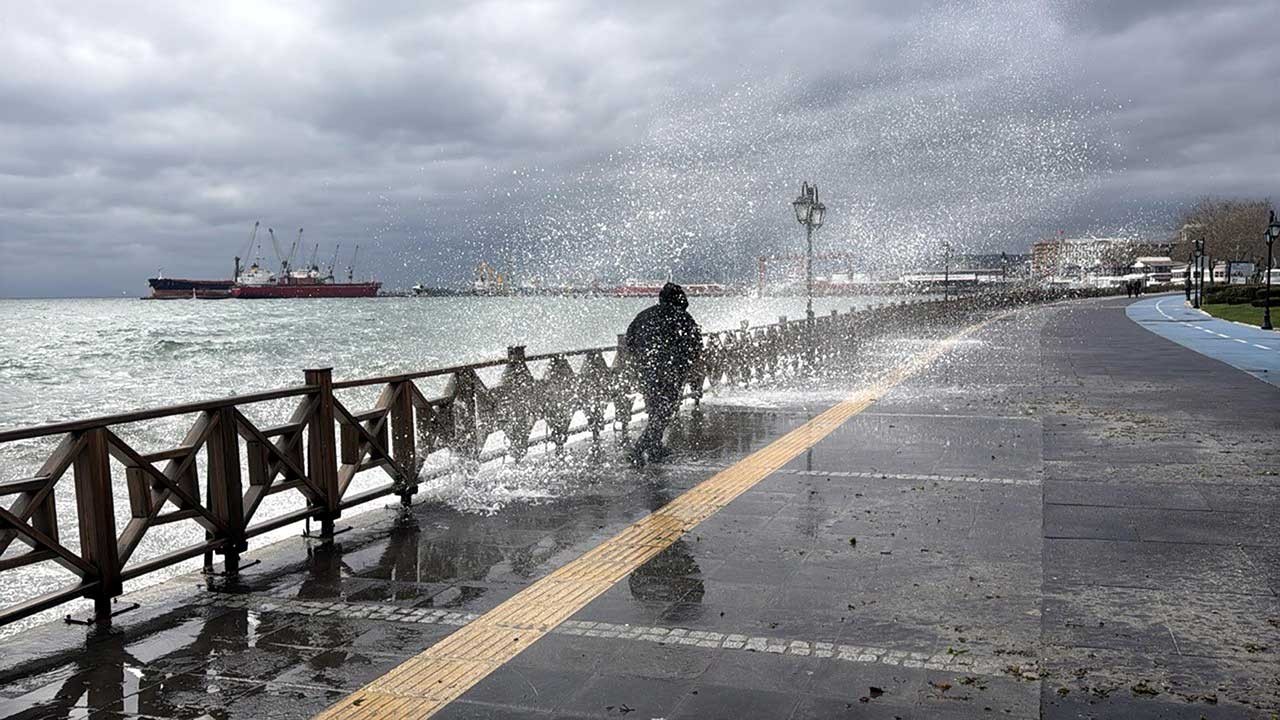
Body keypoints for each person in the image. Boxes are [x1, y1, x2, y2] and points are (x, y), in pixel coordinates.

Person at [624, 282, 702, 466]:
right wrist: (685, 362)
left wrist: (642, 360)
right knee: (664, 411)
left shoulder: (644, 315)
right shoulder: (682, 317)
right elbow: (695, 344)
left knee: (655, 410)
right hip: (671, 372)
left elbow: (630, 339)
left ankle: (655, 447)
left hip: (646, 371)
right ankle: (638, 449)